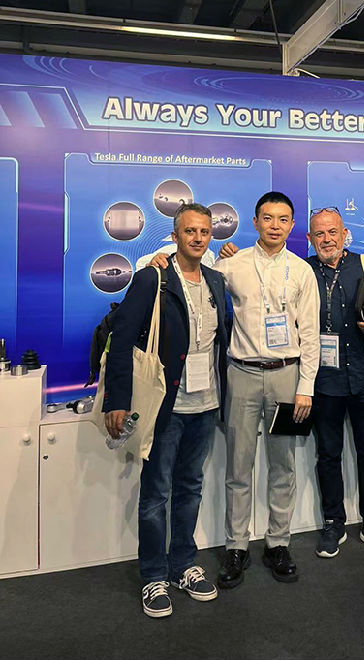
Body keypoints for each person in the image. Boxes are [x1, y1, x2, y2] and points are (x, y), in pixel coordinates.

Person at [104, 203, 228, 618]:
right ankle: (154, 575)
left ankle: (183, 565)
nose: (198, 238)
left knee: (191, 487)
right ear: (175, 236)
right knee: (156, 493)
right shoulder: (152, 278)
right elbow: (122, 340)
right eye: (190, 231)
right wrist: (117, 400)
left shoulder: (215, 280)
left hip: (206, 403)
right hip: (166, 405)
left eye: (204, 231)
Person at [215, 191, 319, 587]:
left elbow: (310, 334)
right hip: (241, 375)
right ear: (255, 221)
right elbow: (192, 279)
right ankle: (236, 546)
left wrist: (306, 387)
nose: (275, 226)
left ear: (292, 226)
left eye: (283, 219)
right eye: (268, 218)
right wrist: (161, 260)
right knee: (238, 466)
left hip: (286, 377)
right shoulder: (232, 265)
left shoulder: (302, 271)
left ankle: (278, 542)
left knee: (283, 465)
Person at [306, 207, 364, 559]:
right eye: (319, 234)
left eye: (333, 232)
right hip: (322, 381)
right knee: (328, 455)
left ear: (344, 234)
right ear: (310, 238)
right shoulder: (303, 270)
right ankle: (334, 522)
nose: (327, 239)